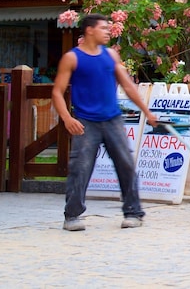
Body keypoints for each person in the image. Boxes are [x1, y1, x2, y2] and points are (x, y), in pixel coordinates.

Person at [51, 14, 158, 231]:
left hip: (112, 119)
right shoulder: (72, 58)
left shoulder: (111, 55)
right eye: (103, 28)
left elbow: (128, 86)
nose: (108, 31)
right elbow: (57, 92)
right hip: (85, 122)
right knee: (80, 168)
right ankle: (72, 216)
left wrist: (147, 112)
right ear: (90, 30)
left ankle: (133, 212)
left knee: (126, 165)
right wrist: (67, 118)